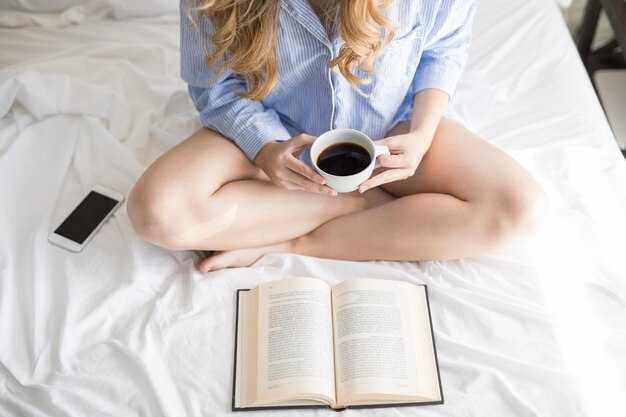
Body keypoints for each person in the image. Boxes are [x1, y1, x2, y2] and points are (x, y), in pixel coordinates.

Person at [127, 0, 546, 272]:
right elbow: (215, 90)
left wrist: (421, 134)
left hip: (389, 133)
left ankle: (294, 237)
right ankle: (358, 203)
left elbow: (444, 49)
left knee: (518, 209)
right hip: (270, 128)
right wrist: (265, 148)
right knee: (156, 211)